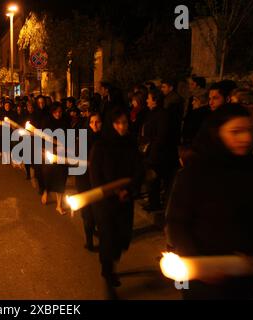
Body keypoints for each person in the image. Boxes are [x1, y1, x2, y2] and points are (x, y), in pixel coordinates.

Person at [166, 104, 253, 300]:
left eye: (250, 130)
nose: (246, 138)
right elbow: (177, 222)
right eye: (236, 132)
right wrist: (201, 265)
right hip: (205, 278)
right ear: (217, 133)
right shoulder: (194, 172)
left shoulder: (252, 169)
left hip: (244, 275)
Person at [90, 107, 144, 299]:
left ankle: (112, 260)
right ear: (111, 125)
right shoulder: (100, 147)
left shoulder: (130, 144)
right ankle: (107, 274)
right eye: (118, 122)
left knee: (122, 238)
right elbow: (96, 177)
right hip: (106, 204)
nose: (122, 126)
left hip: (125, 201)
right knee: (108, 238)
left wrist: (128, 190)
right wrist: (114, 191)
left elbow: (138, 169)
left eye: (125, 122)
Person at [139, 89, 172, 211]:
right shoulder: (151, 113)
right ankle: (153, 202)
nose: (147, 100)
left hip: (157, 153)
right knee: (151, 180)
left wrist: (152, 150)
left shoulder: (163, 115)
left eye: (149, 98)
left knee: (155, 179)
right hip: (149, 152)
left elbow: (160, 136)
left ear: (155, 100)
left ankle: (155, 204)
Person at [75, 112, 103, 252]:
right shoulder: (84, 139)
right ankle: (89, 240)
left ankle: (96, 229)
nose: (95, 125)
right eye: (92, 122)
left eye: (98, 122)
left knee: (99, 209)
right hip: (85, 179)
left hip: (101, 180)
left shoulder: (106, 139)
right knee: (87, 212)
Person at [41, 102, 69, 215]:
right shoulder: (47, 122)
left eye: (60, 112)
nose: (58, 114)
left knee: (62, 178)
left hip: (62, 154)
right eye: (56, 112)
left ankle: (59, 205)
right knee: (48, 175)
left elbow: (69, 135)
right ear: (52, 112)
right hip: (50, 153)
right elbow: (43, 137)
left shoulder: (65, 122)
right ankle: (46, 191)